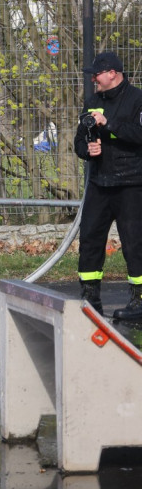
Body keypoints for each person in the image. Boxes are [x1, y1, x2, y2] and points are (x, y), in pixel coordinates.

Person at [74, 51, 142, 323]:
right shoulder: (92, 101)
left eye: (97, 73)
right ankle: (90, 300)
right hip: (99, 183)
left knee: (135, 244)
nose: (93, 78)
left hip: (131, 184)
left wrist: (109, 124)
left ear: (113, 73)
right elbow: (79, 140)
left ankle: (139, 301)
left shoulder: (137, 99)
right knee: (90, 239)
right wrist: (87, 149)